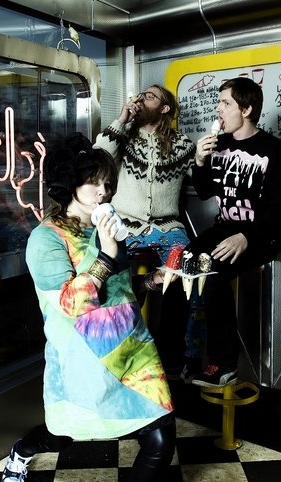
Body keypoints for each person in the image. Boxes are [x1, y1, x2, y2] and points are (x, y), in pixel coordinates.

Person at [2, 132, 175, 482]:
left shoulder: (106, 228)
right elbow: (72, 304)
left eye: (108, 184)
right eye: (94, 183)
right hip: (83, 360)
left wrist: (149, 282)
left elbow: (117, 293)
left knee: (161, 438)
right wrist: (107, 254)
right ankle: (22, 451)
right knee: (62, 436)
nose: (103, 192)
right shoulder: (46, 238)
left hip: (134, 350)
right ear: (71, 184)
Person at [187, 77, 281, 388]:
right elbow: (204, 192)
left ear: (246, 110)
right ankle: (179, 357)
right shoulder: (219, 144)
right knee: (184, 262)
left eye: (225, 103)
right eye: (219, 103)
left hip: (261, 235)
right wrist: (200, 160)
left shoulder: (274, 149)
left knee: (213, 274)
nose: (218, 109)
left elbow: (280, 209)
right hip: (224, 228)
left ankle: (224, 364)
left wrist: (247, 237)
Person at [94, 85, 204, 380]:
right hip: (124, 225)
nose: (142, 99)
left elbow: (203, 182)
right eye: (141, 95)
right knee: (111, 276)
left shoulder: (182, 144)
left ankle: (178, 356)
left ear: (165, 109)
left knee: (190, 273)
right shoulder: (124, 137)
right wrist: (121, 119)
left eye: (150, 97)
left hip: (168, 227)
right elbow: (98, 157)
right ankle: (117, 350)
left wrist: (203, 159)